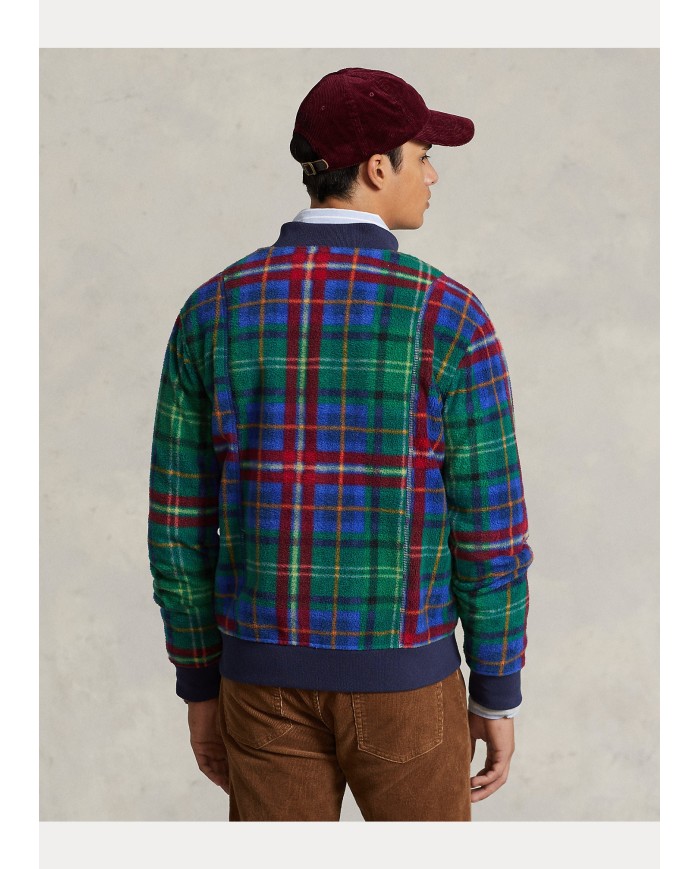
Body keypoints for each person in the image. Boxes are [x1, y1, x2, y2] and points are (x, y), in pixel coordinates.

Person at [148, 67, 533, 822]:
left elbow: (178, 527)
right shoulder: (450, 316)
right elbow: (492, 532)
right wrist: (495, 688)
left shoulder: (212, 310)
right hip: (408, 686)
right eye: (424, 155)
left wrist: (199, 682)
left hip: (259, 685)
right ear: (378, 168)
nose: (433, 175)